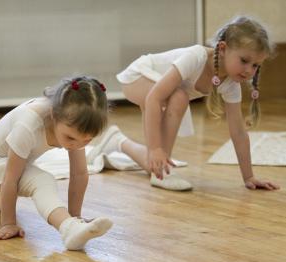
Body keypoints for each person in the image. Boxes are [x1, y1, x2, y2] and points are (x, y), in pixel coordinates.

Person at [0, 75, 113, 250]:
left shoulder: (74, 125)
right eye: (70, 138)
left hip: (7, 166)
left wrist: (77, 216)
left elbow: (79, 174)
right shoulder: (28, 123)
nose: (77, 145)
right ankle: (67, 229)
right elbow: (10, 179)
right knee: (42, 181)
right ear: (54, 116)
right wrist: (9, 224)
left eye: (87, 141)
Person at [99, 16, 280, 191]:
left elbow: (238, 132)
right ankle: (162, 174)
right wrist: (156, 148)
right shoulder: (196, 57)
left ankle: (118, 141)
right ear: (223, 48)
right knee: (179, 97)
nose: (249, 70)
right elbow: (154, 97)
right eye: (244, 61)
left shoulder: (231, 83)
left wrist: (248, 177)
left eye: (255, 65)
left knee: (153, 162)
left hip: (159, 91)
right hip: (138, 76)